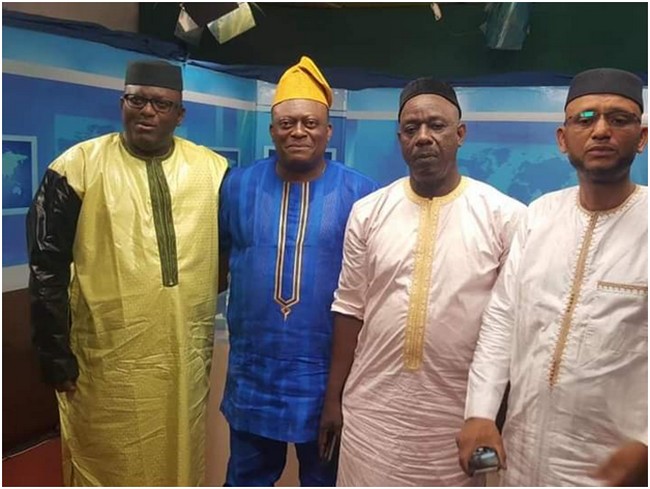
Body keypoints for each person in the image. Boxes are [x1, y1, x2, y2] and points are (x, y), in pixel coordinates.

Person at [26, 59, 229, 486]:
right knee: (108, 459)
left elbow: (229, 256)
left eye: (161, 103)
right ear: (122, 103)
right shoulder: (77, 167)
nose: (147, 111)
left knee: (180, 452)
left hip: (184, 359)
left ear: (180, 114)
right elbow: (47, 268)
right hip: (106, 362)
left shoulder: (212, 171)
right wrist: (54, 353)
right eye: (137, 100)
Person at [319, 77, 526, 486]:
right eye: (411, 128)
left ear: (460, 134)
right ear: (400, 139)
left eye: (437, 125)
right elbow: (350, 308)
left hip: (459, 421)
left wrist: (495, 414)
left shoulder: (505, 217)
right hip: (372, 417)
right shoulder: (368, 212)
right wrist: (333, 399)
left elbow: (512, 326)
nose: (424, 137)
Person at [457, 68, 648, 486]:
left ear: (642, 137)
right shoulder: (539, 216)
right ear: (563, 139)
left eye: (619, 119)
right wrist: (480, 412)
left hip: (613, 467)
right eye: (585, 119)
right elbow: (502, 320)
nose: (601, 130)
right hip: (520, 456)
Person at [218, 55, 377, 486]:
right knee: (245, 479)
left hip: (326, 378)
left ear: (328, 131)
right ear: (272, 130)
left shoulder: (362, 194)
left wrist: (340, 388)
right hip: (253, 375)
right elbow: (222, 257)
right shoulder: (237, 186)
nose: (299, 132)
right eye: (287, 123)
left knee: (325, 481)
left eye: (310, 123)